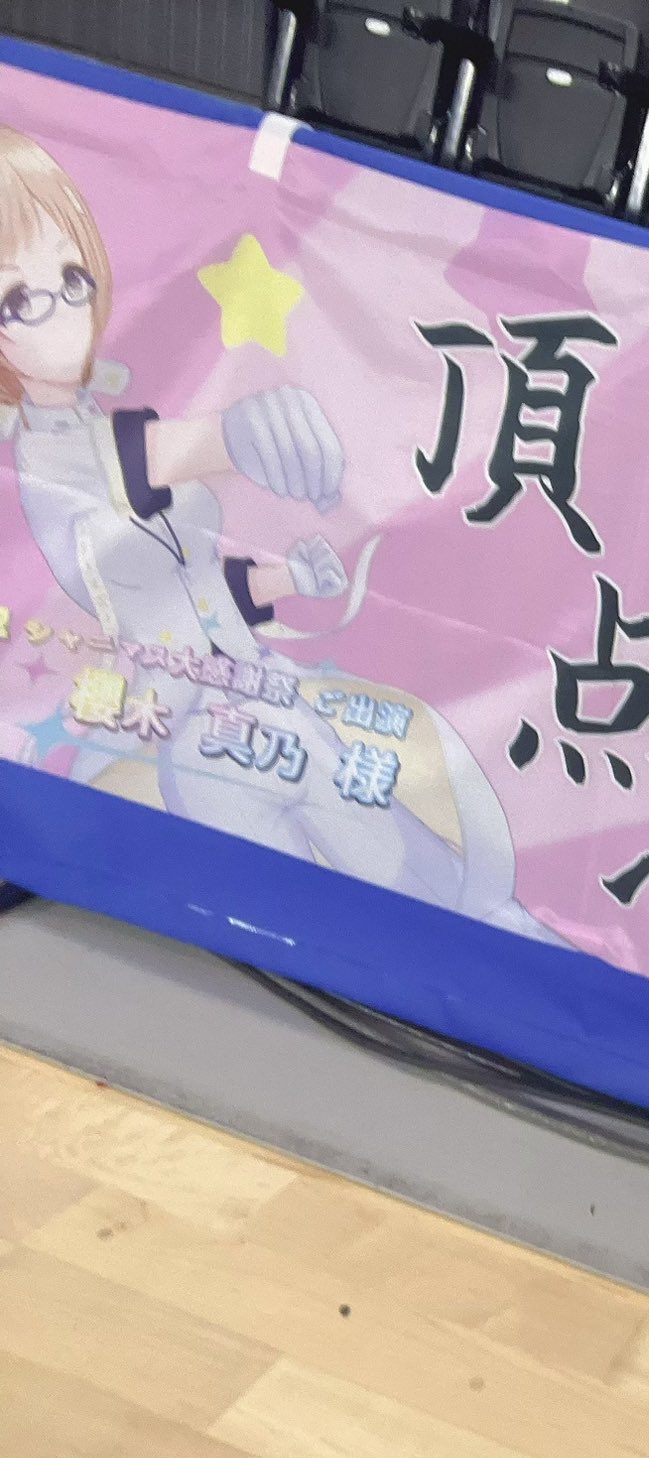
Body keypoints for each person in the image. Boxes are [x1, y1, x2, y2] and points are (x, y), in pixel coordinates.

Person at [0, 124, 558, 944]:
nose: (61, 309)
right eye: (18, 299)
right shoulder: (46, 451)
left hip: (230, 685)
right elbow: (128, 466)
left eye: (72, 277)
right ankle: (416, 935)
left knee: (357, 784)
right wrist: (231, 434)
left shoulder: (88, 422)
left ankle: (457, 929)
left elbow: (191, 587)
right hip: (147, 716)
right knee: (286, 776)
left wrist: (287, 580)